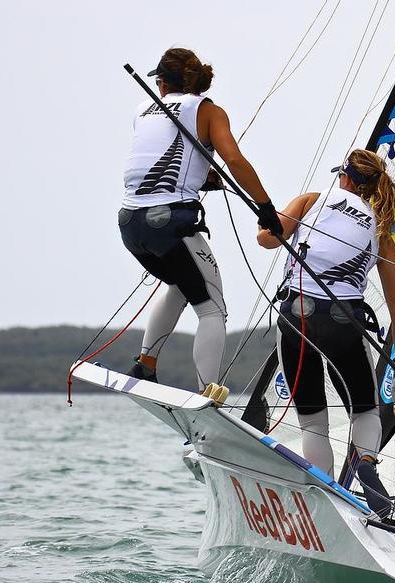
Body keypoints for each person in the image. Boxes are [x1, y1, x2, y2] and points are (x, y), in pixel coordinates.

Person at [119, 47, 284, 391]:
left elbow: (156, 156)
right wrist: (265, 206)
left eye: (159, 80)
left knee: (181, 285)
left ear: (163, 82)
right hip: (169, 224)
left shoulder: (142, 109)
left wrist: (199, 177)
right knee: (212, 310)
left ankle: (145, 364)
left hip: (130, 225)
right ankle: (208, 391)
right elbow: (235, 161)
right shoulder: (207, 111)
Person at [256, 149, 395, 515]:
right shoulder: (382, 231)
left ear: (342, 176)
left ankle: (325, 497)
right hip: (345, 321)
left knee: (313, 422)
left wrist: (268, 222)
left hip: (297, 316)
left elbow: (266, 240)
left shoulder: (312, 200)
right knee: (364, 411)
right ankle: (367, 463)